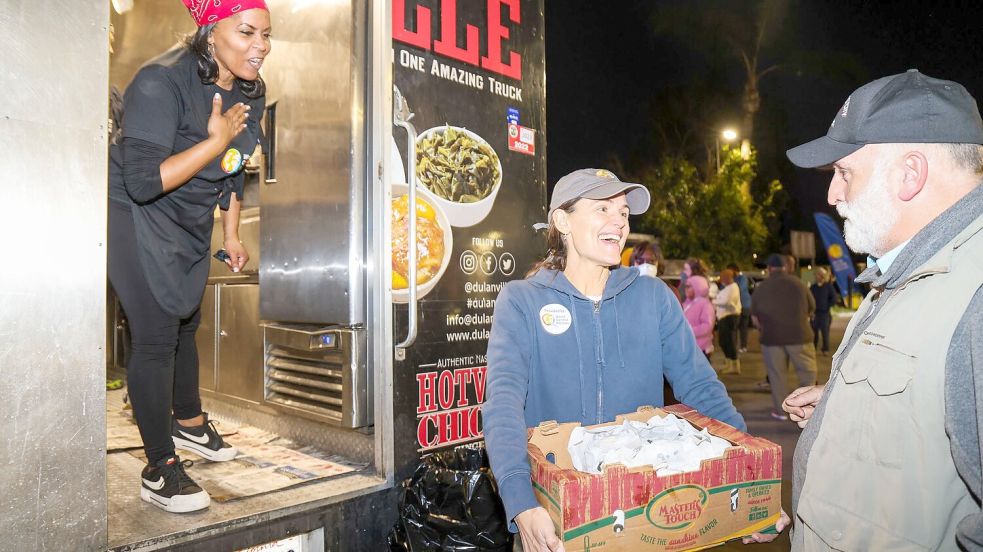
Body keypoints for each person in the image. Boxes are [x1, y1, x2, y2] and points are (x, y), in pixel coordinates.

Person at [483, 169, 779, 552]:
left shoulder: (653, 297)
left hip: (646, 509)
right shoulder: (521, 300)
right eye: (602, 208)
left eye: (623, 212)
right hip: (557, 511)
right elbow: (502, 402)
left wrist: (752, 471)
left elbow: (700, 386)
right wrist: (520, 502)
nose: (618, 222)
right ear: (562, 220)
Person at [781, 70, 983, 550]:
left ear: (910, 173)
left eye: (844, 172)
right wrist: (847, 402)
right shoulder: (905, 271)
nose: (832, 195)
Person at [108, 0, 270, 513]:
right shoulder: (160, 82)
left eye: (266, 35)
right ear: (209, 29)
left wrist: (232, 231)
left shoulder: (250, 89)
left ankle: (190, 423)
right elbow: (142, 180)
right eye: (246, 32)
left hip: (189, 213)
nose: (260, 47)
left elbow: (233, 162)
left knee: (186, 317)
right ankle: (160, 466)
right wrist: (213, 139)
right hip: (133, 211)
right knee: (156, 331)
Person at [751, 254, 817, 421]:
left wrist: (762, 328)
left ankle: (781, 412)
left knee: (777, 376)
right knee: (807, 373)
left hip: (771, 339)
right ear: (785, 267)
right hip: (800, 337)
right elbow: (812, 307)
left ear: (769, 269)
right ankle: (806, 408)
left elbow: (754, 317)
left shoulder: (761, 288)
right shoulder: (799, 284)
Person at [713, 268, 742, 374]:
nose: (721, 278)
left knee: (729, 341)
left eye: (723, 276)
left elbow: (726, 301)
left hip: (729, 317)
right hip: (724, 318)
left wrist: (714, 301)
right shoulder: (727, 288)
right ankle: (729, 364)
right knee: (724, 341)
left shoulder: (733, 288)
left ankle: (734, 366)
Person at [683, 275, 716, 359]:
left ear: (698, 287)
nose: (686, 289)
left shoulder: (705, 304)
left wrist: (688, 331)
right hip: (687, 348)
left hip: (700, 349)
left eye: (689, 286)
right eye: (685, 286)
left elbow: (707, 326)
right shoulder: (687, 303)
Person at [808, 267, 837, 355]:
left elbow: (834, 298)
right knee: (814, 333)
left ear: (822, 276)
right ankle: (813, 349)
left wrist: (827, 306)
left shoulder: (828, 286)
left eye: (818, 275)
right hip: (815, 314)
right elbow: (809, 299)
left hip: (825, 314)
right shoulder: (813, 287)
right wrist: (810, 311)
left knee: (825, 333)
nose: (816, 276)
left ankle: (825, 349)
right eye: (816, 275)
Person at [727, 263, 753, 353]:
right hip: (736, 306)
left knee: (743, 327)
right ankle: (734, 346)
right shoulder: (733, 279)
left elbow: (739, 289)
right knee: (734, 327)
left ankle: (743, 346)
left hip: (744, 305)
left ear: (734, 270)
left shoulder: (742, 278)